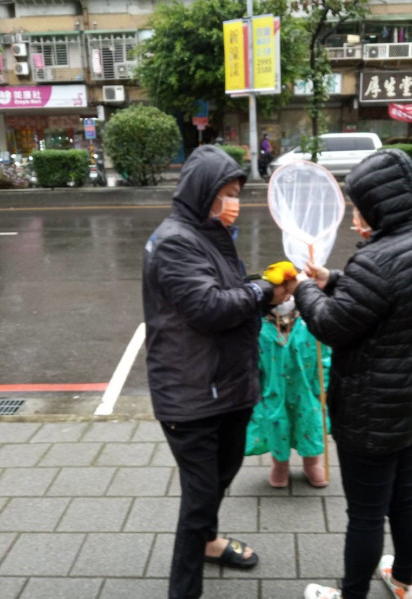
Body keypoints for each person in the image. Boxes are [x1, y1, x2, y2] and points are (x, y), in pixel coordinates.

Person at [287, 149, 412, 599]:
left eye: (359, 207)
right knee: (405, 495)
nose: (355, 217)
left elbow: (330, 325)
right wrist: (334, 279)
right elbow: (388, 299)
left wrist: (305, 288)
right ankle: (403, 580)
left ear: (381, 206)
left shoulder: (377, 261)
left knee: (365, 515)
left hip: (371, 414)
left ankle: (353, 594)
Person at [142, 144, 289, 599]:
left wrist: (266, 298)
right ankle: (184, 588)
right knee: (200, 496)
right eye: (225, 193)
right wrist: (264, 292)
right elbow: (207, 307)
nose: (233, 202)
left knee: (222, 475)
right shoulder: (174, 242)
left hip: (226, 386)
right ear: (202, 193)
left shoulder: (211, 235)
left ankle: (209, 540)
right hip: (190, 394)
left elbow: (228, 293)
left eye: (237, 192)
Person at [245, 298, 331, 488]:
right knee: (277, 427)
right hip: (273, 391)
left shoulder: (309, 326)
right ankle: (280, 465)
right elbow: (251, 363)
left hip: (306, 389)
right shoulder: (260, 329)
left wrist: (324, 386)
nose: (284, 301)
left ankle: (312, 463)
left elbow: (323, 357)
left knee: (309, 424)